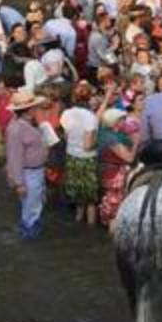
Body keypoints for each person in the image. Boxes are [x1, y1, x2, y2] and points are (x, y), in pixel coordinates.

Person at [5, 90, 50, 240]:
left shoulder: (26, 124)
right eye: (35, 107)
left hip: (35, 171)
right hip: (29, 173)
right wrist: (19, 184)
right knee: (31, 207)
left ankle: (30, 230)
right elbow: (14, 157)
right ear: (29, 110)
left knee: (34, 204)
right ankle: (29, 234)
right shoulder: (16, 129)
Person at [61, 81, 101, 227]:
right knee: (90, 199)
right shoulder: (90, 117)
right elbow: (88, 145)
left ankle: (78, 221)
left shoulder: (66, 113)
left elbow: (66, 137)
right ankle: (90, 227)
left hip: (71, 156)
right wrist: (99, 142)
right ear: (89, 98)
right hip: (87, 159)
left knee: (78, 196)